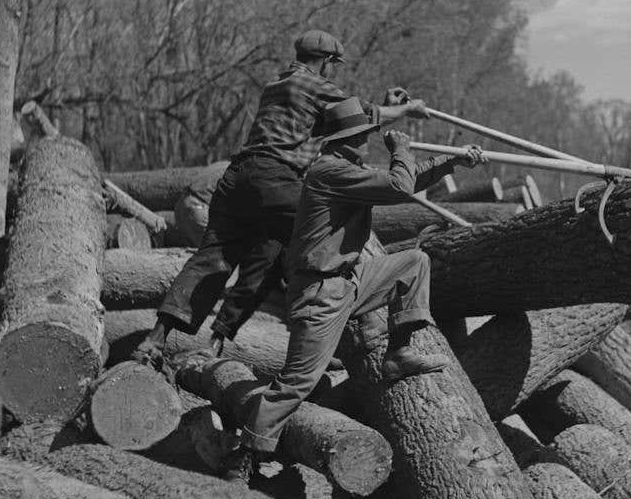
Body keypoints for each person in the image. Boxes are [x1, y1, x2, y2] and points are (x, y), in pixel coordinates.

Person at [134, 30, 429, 365]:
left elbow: (346, 123)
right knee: (326, 237)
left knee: (231, 258)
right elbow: (357, 114)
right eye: (333, 65)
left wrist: (386, 107)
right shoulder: (312, 84)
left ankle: (160, 340)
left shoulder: (277, 83)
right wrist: (406, 110)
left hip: (237, 181)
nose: (333, 72)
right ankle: (341, 337)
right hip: (275, 178)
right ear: (327, 61)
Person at [233, 96, 486, 472]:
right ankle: (245, 455)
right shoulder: (329, 172)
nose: (370, 138)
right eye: (365, 133)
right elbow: (399, 186)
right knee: (298, 381)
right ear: (347, 138)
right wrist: (401, 149)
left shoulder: (346, 166)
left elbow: (401, 179)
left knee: (414, 263)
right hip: (319, 294)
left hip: (347, 281)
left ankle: (398, 355)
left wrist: (453, 161)